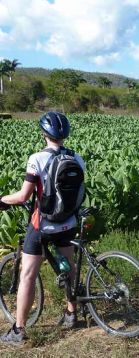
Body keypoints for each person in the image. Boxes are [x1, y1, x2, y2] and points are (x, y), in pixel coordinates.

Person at [0, 112, 85, 345]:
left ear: (43, 134)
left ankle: (18, 330)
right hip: (68, 222)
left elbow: (23, 196)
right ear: (64, 134)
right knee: (69, 268)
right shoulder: (77, 158)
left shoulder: (37, 158)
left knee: (27, 275)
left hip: (43, 224)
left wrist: (3, 200)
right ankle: (71, 313)